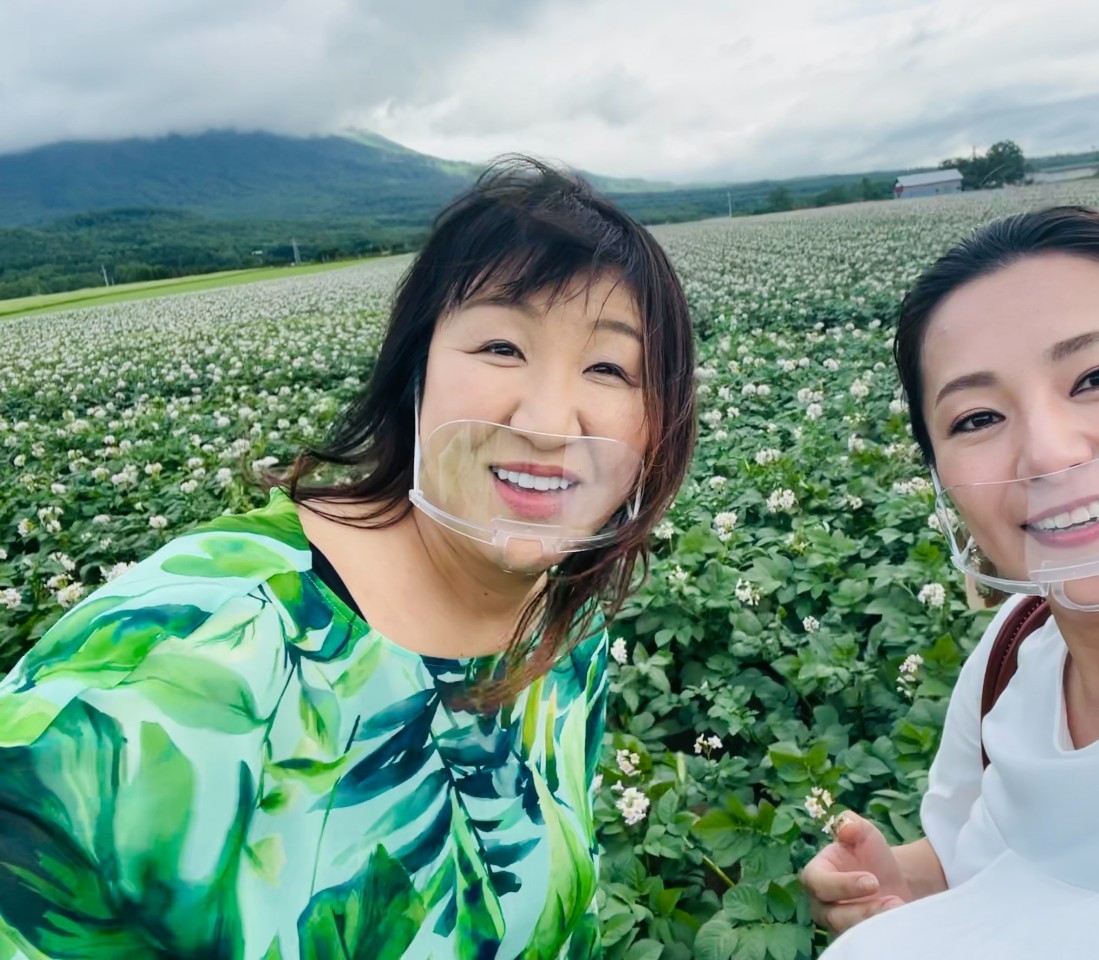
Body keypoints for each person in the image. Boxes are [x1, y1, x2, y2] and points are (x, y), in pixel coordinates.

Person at [0, 158, 696, 960]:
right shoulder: (186, 659)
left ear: (658, 423)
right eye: (502, 346)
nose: (545, 421)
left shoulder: (563, 625)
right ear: (413, 371)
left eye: (610, 367)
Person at [802, 206, 1099, 955]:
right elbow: (979, 859)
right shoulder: (1014, 649)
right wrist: (902, 886)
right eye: (977, 419)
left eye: (1098, 377)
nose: (1050, 454)